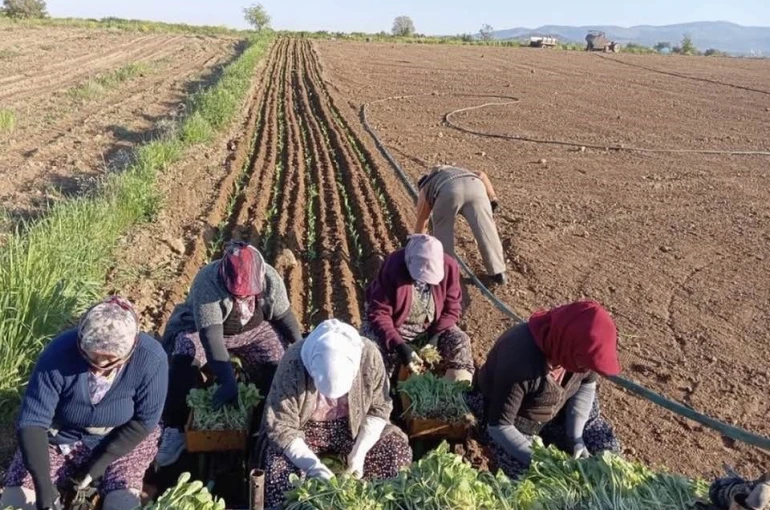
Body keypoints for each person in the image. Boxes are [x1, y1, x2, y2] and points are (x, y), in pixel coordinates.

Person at [0, 297, 168, 510]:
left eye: (110, 360)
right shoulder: (59, 354)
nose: (99, 367)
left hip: (120, 438)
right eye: (92, 357)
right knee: (17, 501)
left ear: (130, 350)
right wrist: (42, 485)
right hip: (62, 436)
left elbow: (144, 421)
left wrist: (101, 463)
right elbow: (33, 421)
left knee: (122, 502)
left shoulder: (151, 359)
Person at [155, 240, 302, 467]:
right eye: (237, 294)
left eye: (248, 294)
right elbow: (211, 337)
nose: (243, 298)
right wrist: (226, 380)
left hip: (254, 331)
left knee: (278, 364)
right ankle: (175, 428)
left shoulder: (270, 278)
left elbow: (284, 317)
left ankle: (263, 428)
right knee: (184, 358)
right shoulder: (208, 281)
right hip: (206, 330)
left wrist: (299, 347)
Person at [260, 319, 412, 509]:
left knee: (396, 453)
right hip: (305, 432)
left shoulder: (369, 355)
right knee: (277, 471)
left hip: (353, 429)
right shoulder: (293, 361)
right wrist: (313, 466)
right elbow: (281, 426)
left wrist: (360, 452)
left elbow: (379, 408)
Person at [474, 300, 622, 479]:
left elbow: (586, 386)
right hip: (515, 419)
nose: (586, 369)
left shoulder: (581, 352)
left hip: (559, 409)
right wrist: (544, 461)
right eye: (583, 363)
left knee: (608, 455)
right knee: (532, 478)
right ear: (569, 345)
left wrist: (576, 438)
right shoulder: (519, 359)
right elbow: (500, 426)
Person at [361, 233, 474, 383]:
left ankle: (454, 390)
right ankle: (382, 393)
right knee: (369, 349)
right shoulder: (394, 266)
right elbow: (379, 312)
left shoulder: (449, 267)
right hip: (397, 327)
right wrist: (400, 346)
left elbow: (452, 309)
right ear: (409, 262)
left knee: (460, 340)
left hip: (432, 328)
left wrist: (434, 337)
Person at [415, 165, 507, 285]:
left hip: (448, 191)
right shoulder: (460, 170)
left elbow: (423, 221)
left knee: (443, 231)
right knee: (486, 230)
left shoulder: (426, 187)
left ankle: (447, 272)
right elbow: (482, 175)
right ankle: (498, 272)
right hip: (475, 186)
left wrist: (415, 244)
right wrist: (493, 197)